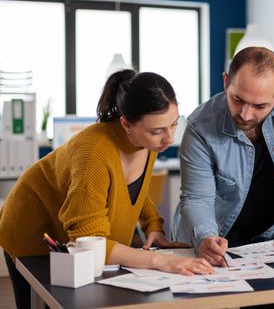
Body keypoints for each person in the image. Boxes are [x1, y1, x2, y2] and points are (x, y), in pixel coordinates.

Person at [0, 70, 213, 309]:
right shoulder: (95, 153)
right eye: (156, 131)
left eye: (174, 124)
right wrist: (160, 261)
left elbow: (133, 187)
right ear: (126, 124)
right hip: (32, 230)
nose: (168, 138)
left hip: (74, 238)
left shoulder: (147, 143)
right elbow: (89, 241)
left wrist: (152, 224)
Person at [172, 46, 274, 267]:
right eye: (237, 99)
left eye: (260, 106)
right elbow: (197, 198)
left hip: (271, 240)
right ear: (226, 81)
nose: (246, 114)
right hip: (214, 238)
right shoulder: (200, 126)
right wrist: (206, 238)